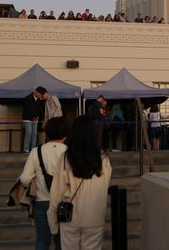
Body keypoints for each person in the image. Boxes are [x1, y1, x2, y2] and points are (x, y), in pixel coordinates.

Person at [48, 116, 112, 250]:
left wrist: (53, 223)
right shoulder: (103, 159)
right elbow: (105, 186)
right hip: (95, 216)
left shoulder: (66, 158)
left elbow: (56, 192)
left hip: (70, 218)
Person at [19, 117, 68, 250]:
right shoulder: (69, 152)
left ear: (47, 133)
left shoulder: (36, 151)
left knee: (42, 241)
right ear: (65, 134)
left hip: (42, 202)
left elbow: (24, 179)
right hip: (64, 203)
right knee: (63, 242)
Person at [23, 87, 46, 153]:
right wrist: (32, 117)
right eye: (39, 94)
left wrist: (37, 117)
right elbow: (28, 109)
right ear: (36, 92)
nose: (40, 96)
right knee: (28, 133)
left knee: (34, 134)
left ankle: (33, 148)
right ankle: (26, 149)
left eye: (41, 95)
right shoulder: (28, 98)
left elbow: (40, 109)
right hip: (27, 119)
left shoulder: (39, 100)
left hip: (35, 119)